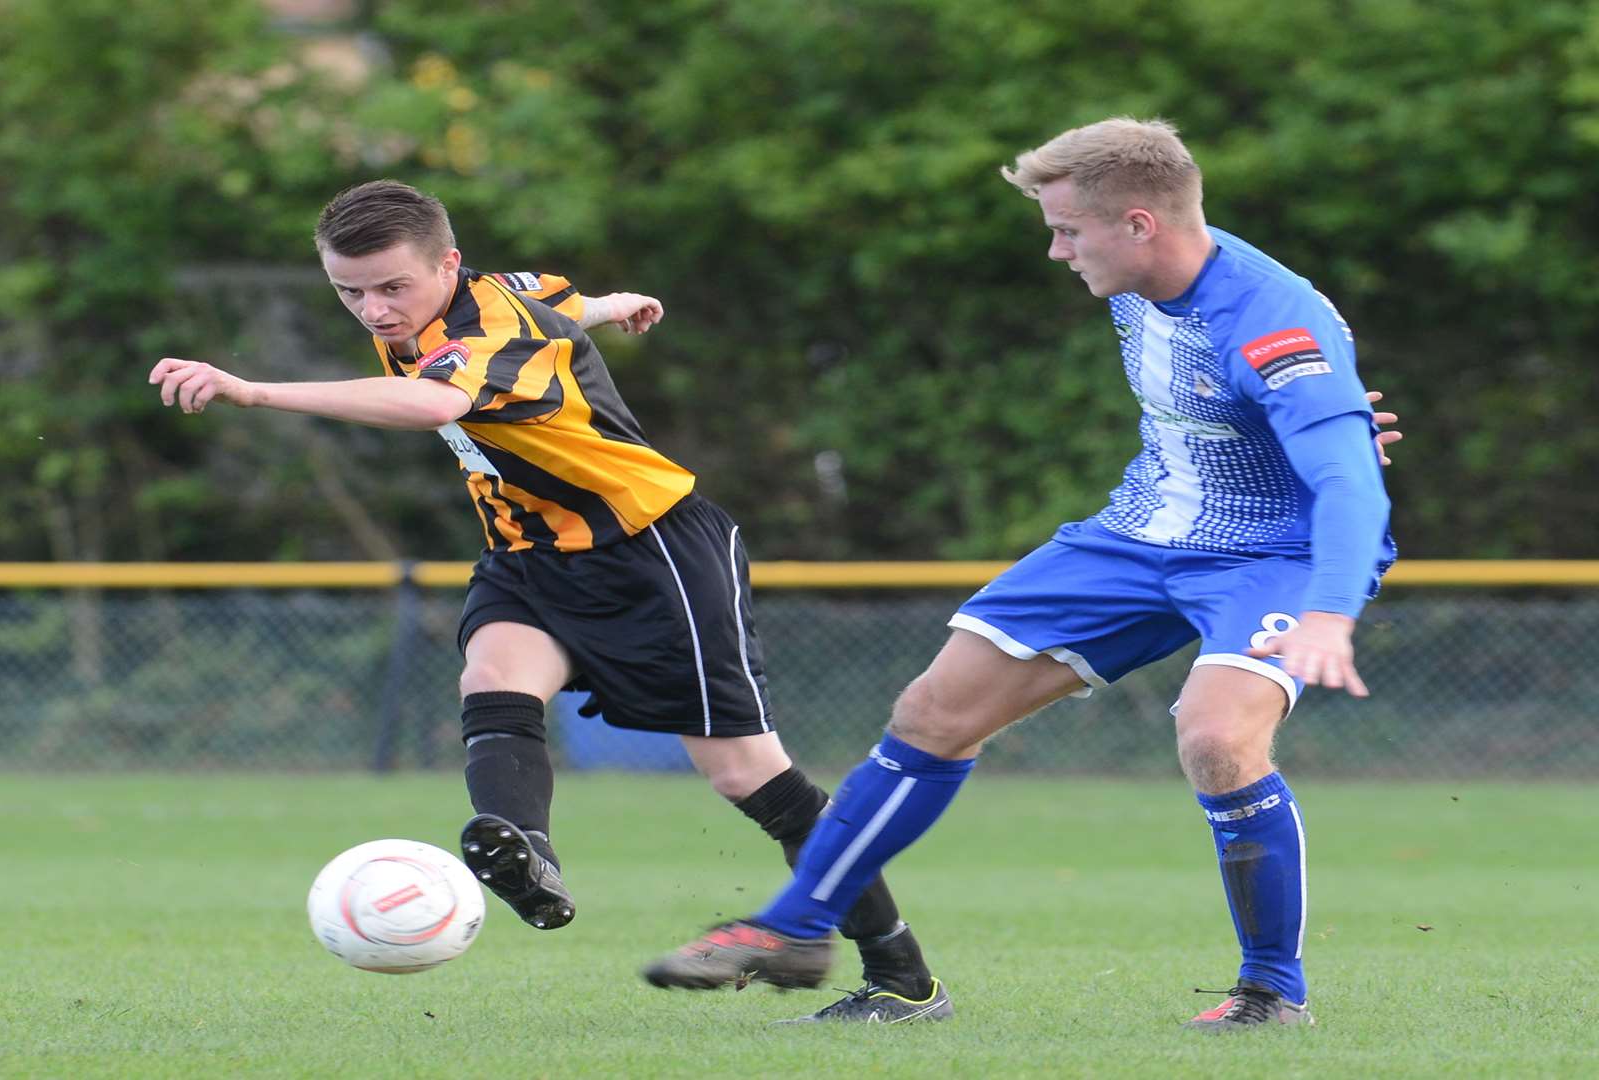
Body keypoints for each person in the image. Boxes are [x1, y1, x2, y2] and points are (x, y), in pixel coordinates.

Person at [641, 117, 1398, 1032]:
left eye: (1067, 229)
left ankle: (1272, 992)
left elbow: (1348, 477)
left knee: (1215, 740)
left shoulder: (1275, 317)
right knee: (931, 711)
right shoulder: (1139, 279)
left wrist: (1330, 611)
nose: (1055, 250)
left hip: (1275, 555)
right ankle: (797, 927)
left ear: (1138, 224)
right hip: (1137, 535)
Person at [148, 180, 950, 1023]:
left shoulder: (481, 332)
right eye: (349, 290)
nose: (373, 310)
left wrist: (257, 392)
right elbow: (553, 294)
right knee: (491, 675)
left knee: (747, 774)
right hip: (530, 553)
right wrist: (610, 306)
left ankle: (902, 978)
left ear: (447, 265)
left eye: (393, 287)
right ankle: (521, 848)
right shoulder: (484, 293)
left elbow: (436, 401)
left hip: (652, 550)